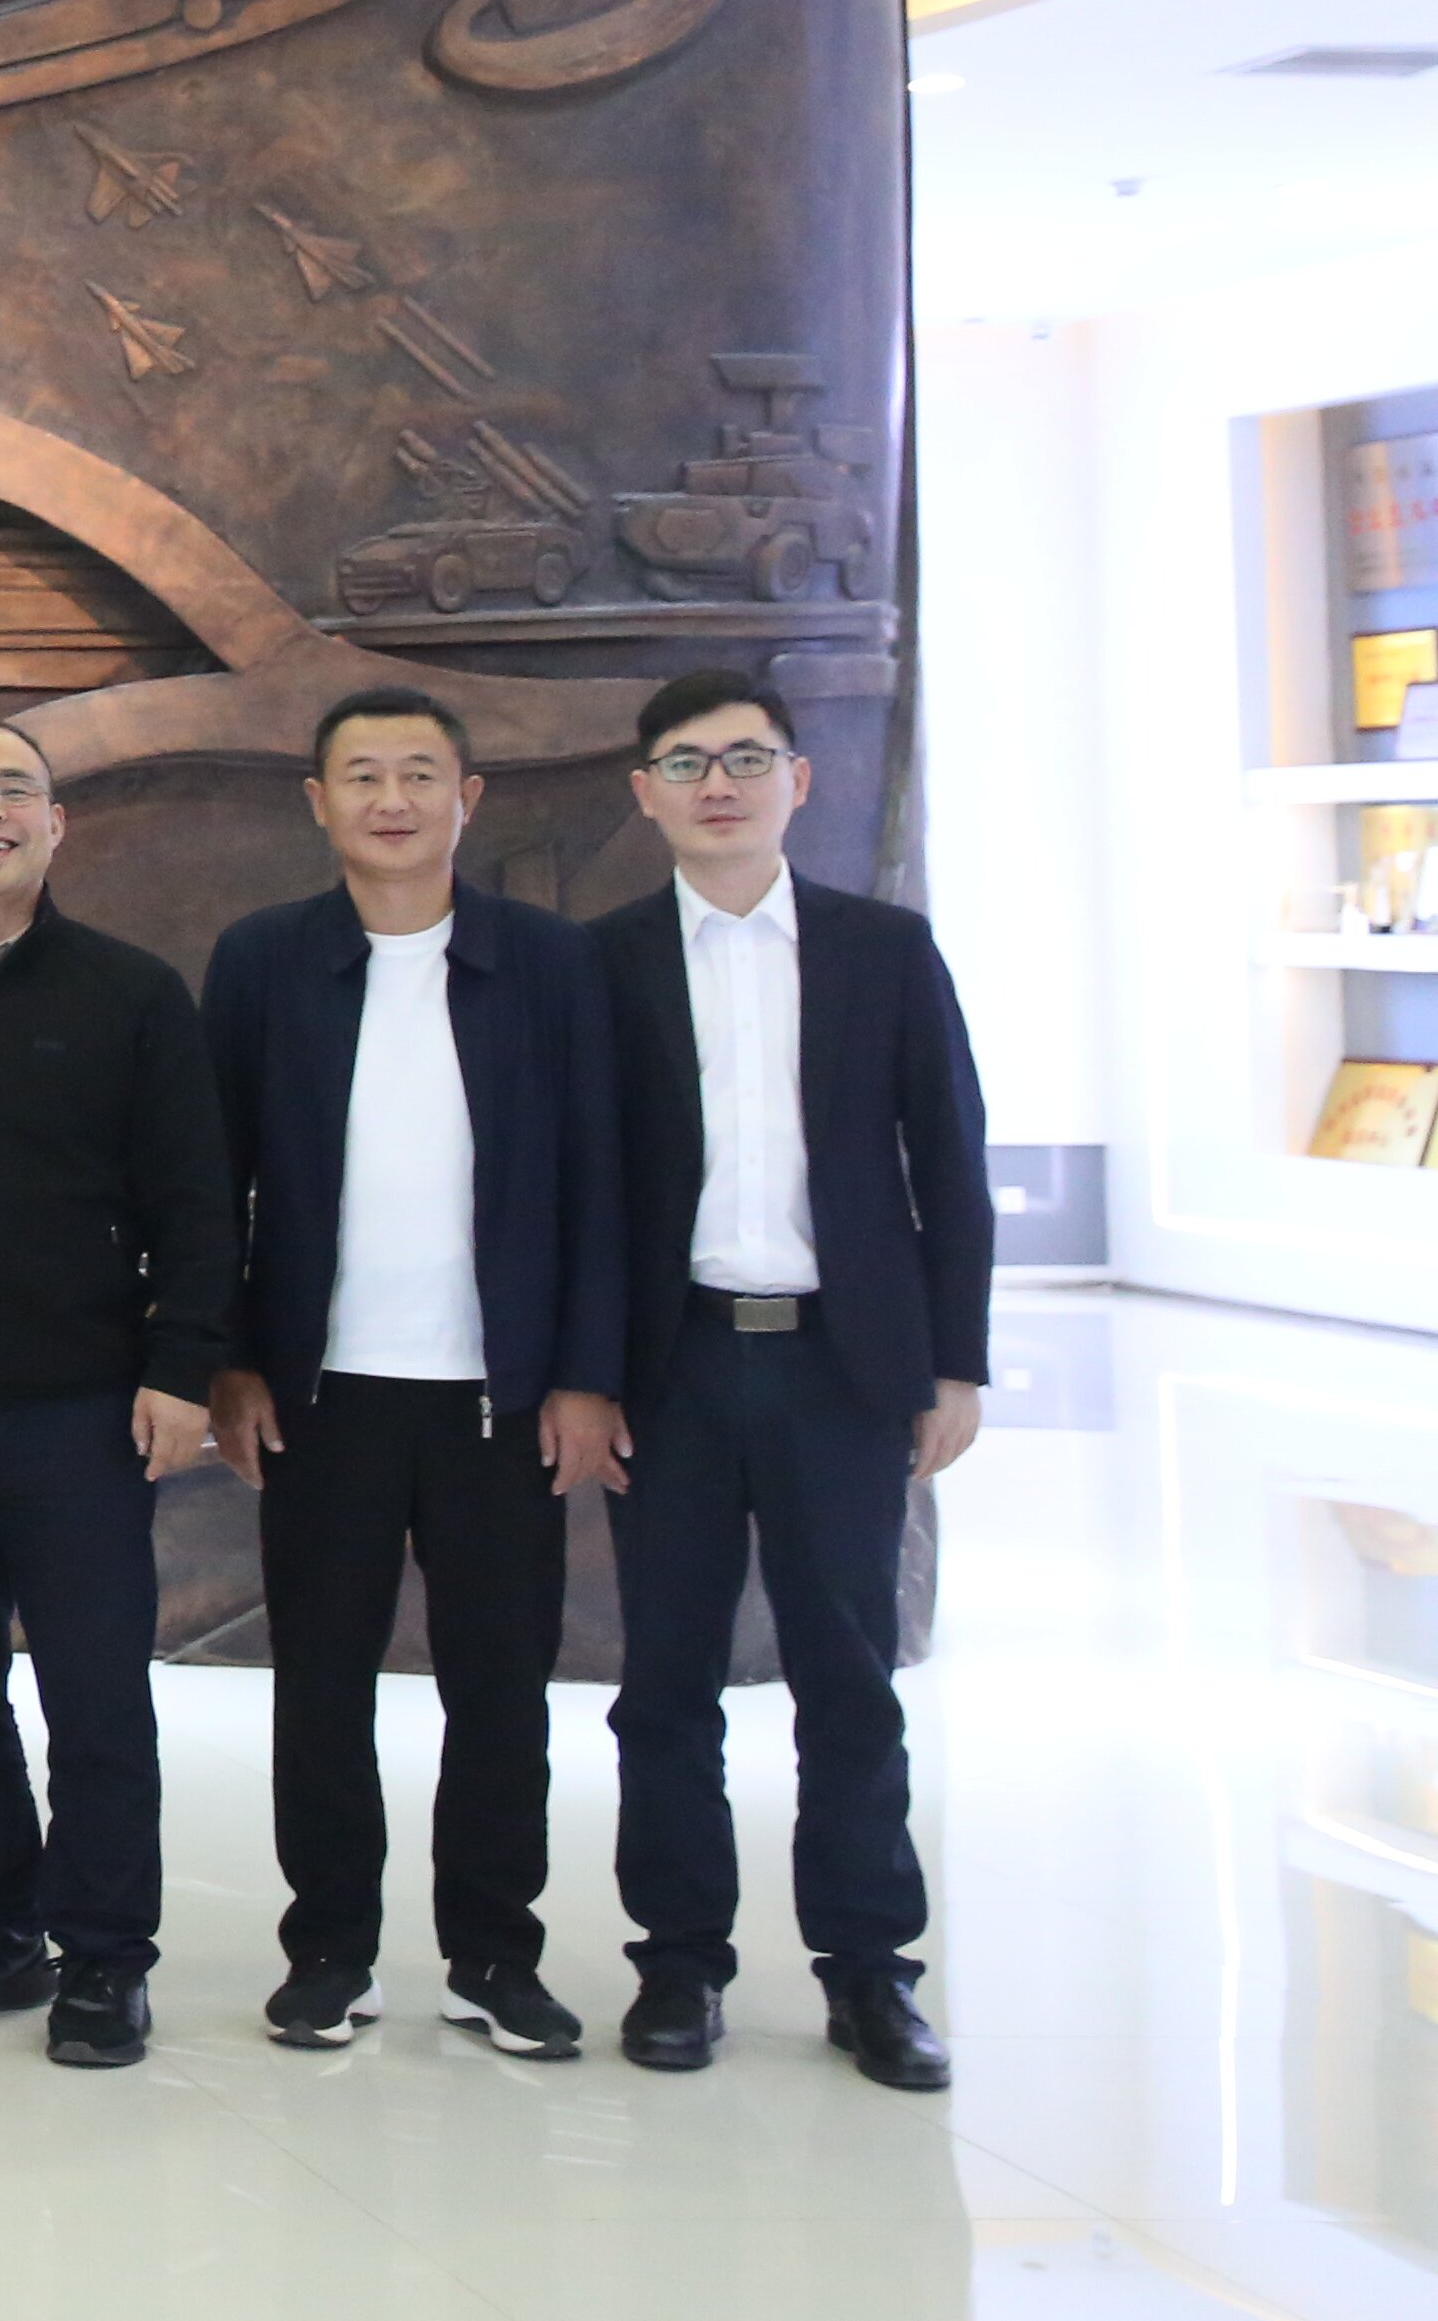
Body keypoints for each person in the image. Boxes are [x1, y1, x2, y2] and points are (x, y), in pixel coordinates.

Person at [203, 683, 625, 2060]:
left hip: (499, 1396)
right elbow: (213, 1178)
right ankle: (327, 1951)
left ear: (467, 797)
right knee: (320, 1683)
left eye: (419, 774)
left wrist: (584, 1374)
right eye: (362, 775)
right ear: (317, 802)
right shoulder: (264, 959)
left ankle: (495, 1953)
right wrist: (231, 1360)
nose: (392, 800)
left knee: (500, 1687)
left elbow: (598, 1180)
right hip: (321, 1393)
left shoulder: (547, 962)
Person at [591, 670, 987, 2091]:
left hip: (842, 1366)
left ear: (797, 782)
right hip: (673, 1366)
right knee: (666, 1681)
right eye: (686, 761)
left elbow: (949, 1159)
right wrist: (585, 1373)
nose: (719, 784)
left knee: (849, 1678)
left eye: (747, 758)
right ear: (645, 793)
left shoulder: (885, 949)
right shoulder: (604, 960)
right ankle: (679, 1960)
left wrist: (955, 1361)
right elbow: (578, 1186)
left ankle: (870, 1970)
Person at [0, 714, 239, 2069]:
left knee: (96, 1698)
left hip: (80, 1411)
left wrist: (181, 1364)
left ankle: (107, 1955)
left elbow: (196, 1199)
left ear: (56, 823)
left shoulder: (130, 992)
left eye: (15, 789)